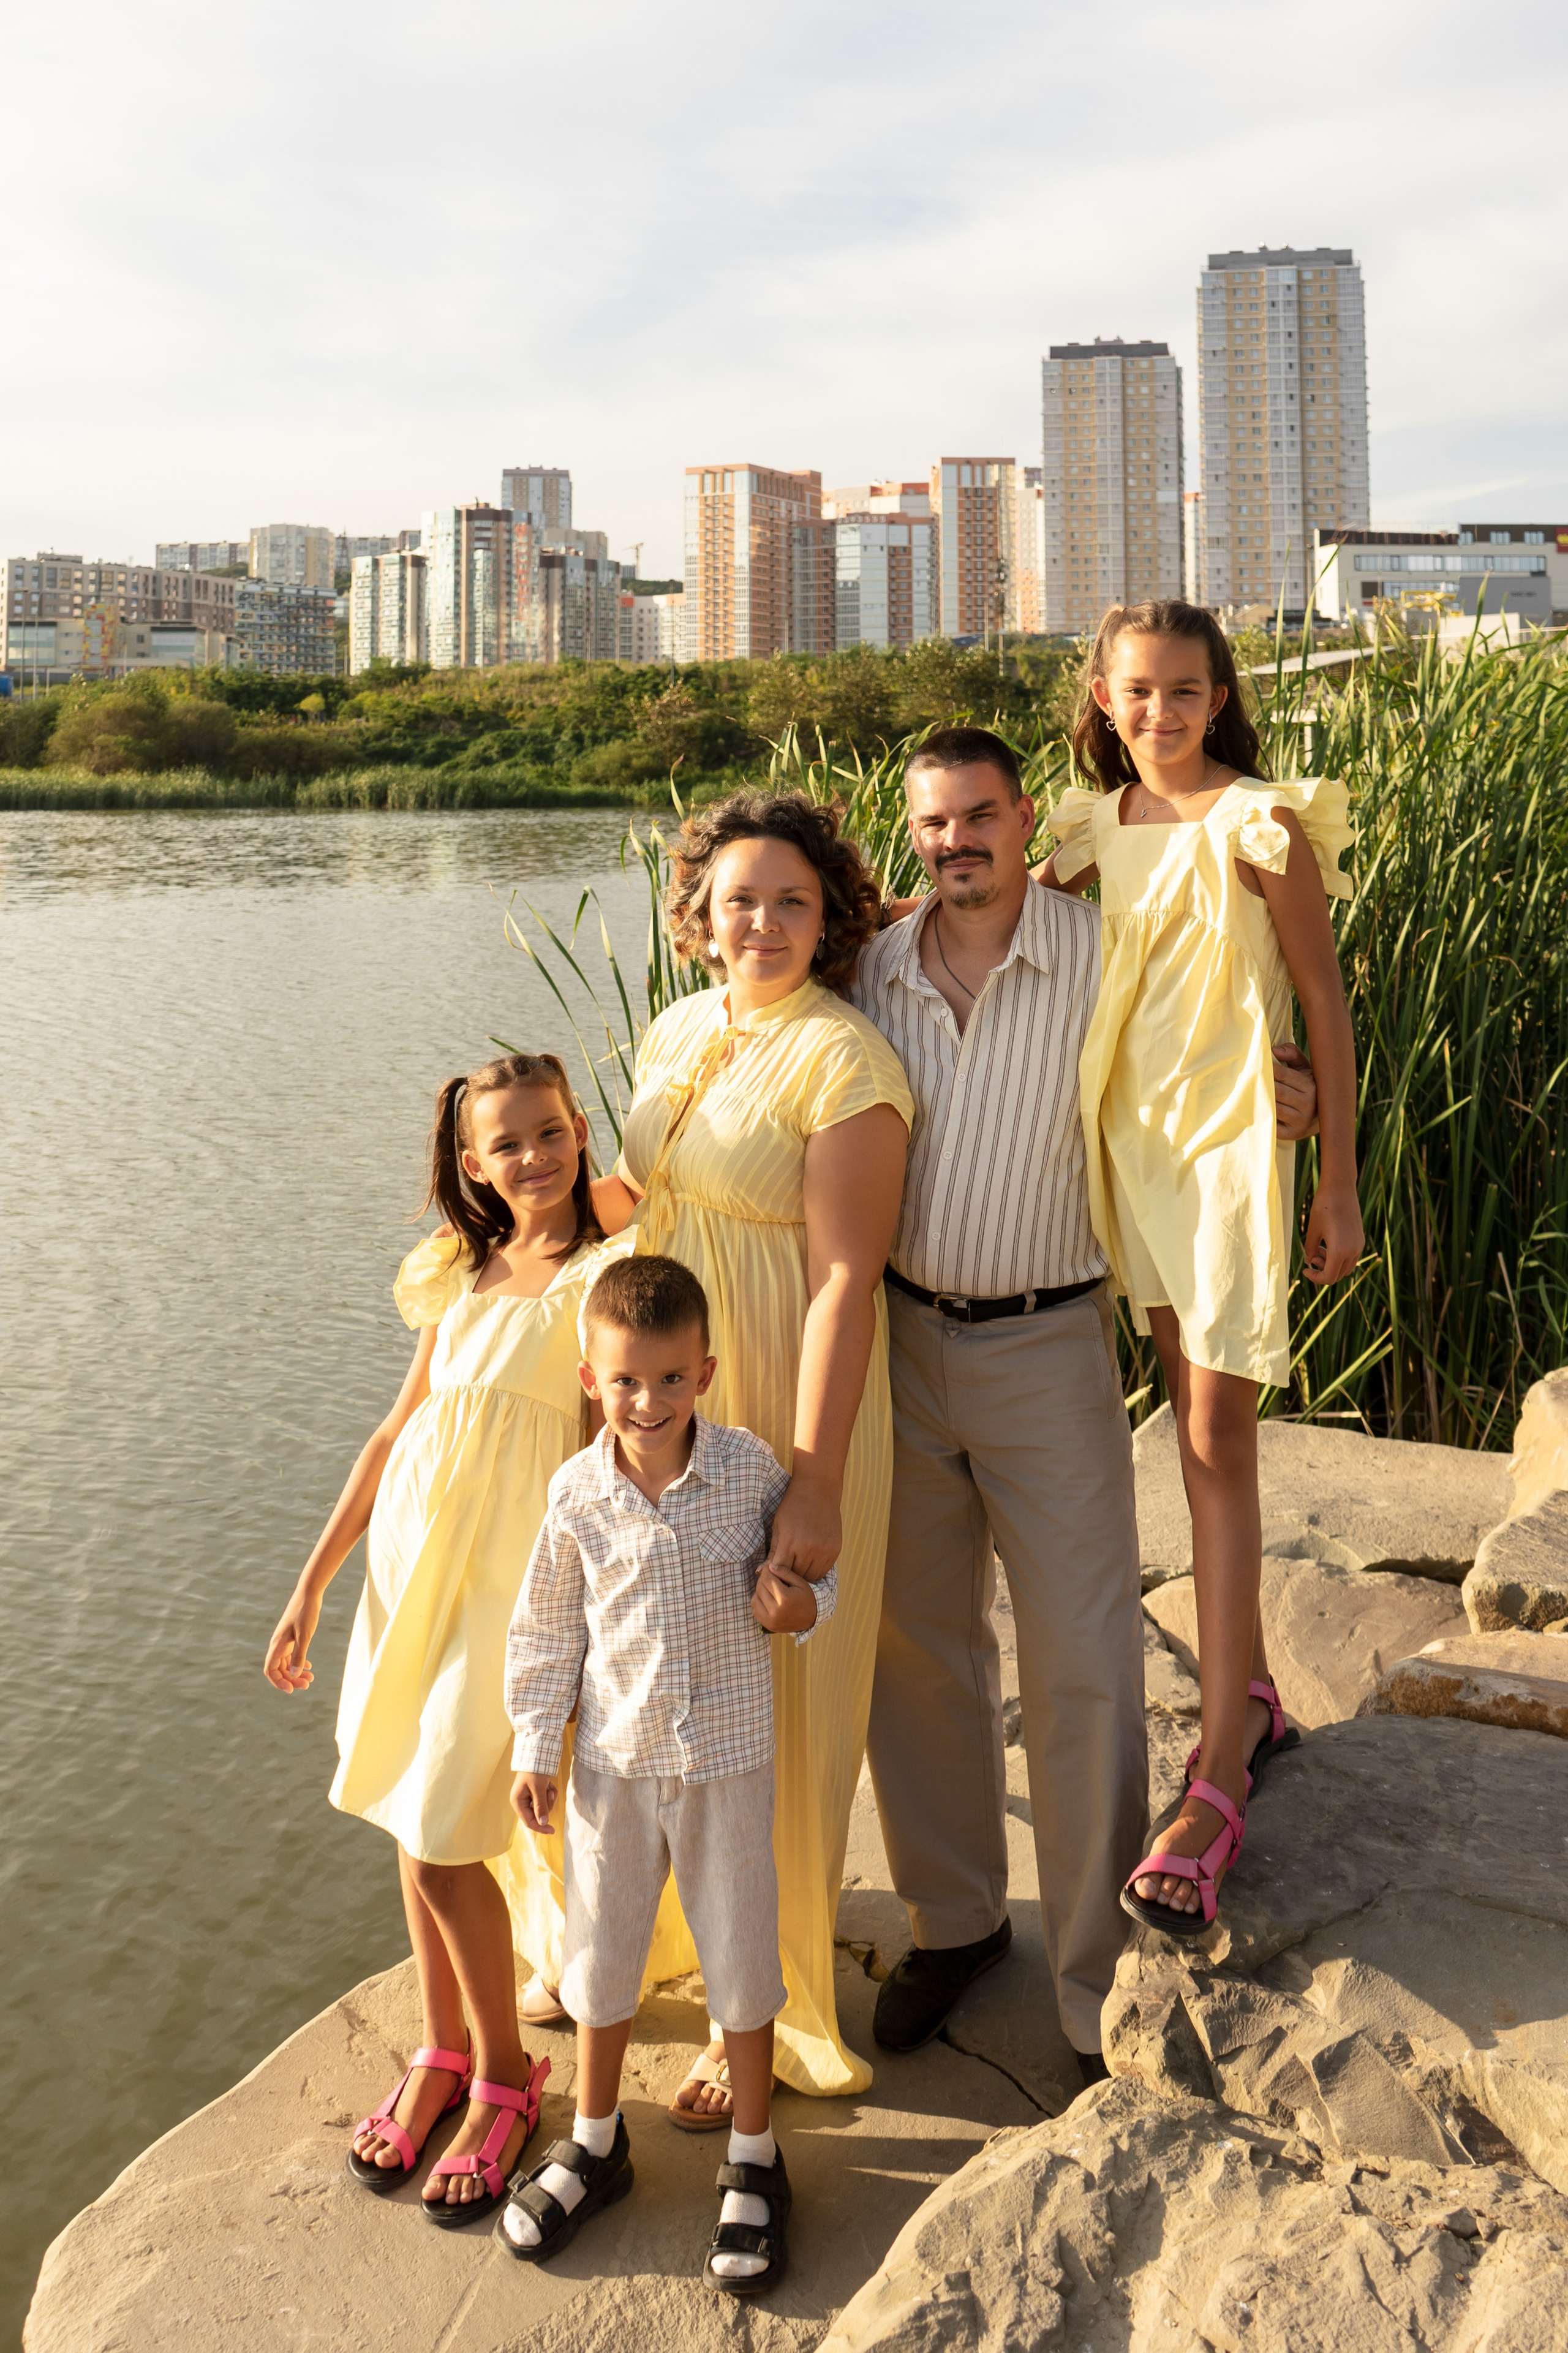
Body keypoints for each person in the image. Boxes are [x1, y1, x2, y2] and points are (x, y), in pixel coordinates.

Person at [851, 725, 1321, 2072]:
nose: (957, 843)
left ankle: (1090, 1979)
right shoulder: (871, 970)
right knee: (916, 1648)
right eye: (932, 824)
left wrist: (1272, 1093)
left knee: (1081, 1665)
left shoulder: (1103, 950)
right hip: (899, 1340)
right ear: (913, 833)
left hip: (1045, 1345)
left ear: (1026, 820)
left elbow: (1209, 1040)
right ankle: (951, 1921)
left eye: (979, 816)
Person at [510, 787, 911, 2119]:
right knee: (649, 1679)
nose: (762, 920)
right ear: (696, 914)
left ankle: (774, 2003)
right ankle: (666, 1946)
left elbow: (848, 1279)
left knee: (775, 1719)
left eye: (791, 899)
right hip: (660, 1399)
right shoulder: (685, 1025)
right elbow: (638, 1195)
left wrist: (811, 1471)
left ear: (829, 914)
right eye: (737, 898)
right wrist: (505, 1229)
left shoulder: (845, 1060)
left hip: (782, 1395)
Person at [1039, 600, 1360, 1935]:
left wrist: (1335, 1172)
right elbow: (974, 920)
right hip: (1126, 1152)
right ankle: (1255, 1687)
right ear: (1102, 701)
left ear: (1218, 695)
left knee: (1217, 1433)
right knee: (1185, 1425)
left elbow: (1322, 999)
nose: (1159, 712)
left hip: (1230, 1152)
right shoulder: (1081, 832)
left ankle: (1220, 1761)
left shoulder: (1261, 823)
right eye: (1136, 691)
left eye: (1183, 690)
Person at [262, 1051, 622, 2224]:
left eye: (553, 1131)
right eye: (508, 1143)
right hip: (414, 1576)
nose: (536, 1157)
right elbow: (391, 1435)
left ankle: (512, 2078)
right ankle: (445, 2049)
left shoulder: (600, 1273)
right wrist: (314, 1580)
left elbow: (593, 1455)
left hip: (509, 1594)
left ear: (582, 1130)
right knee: (406, 1817)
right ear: (473, 1164)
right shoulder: (465, 1275)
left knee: (440, 1839)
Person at [500, 1254, 830, 2294]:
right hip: (611, 1761)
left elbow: (808, 1583)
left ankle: (753, 2153)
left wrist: (797, 1609)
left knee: (739, 1949)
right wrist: (532, 1739)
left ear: (708, 1372)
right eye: (627, 1381)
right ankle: (596, 2141)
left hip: (727, 1760)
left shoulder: (748, 1472)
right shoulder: (577, 1493)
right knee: (601, 1953)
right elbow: (548, 1627)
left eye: (673, 1379)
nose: (650, 1402)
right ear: (592, 1379)